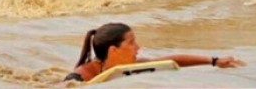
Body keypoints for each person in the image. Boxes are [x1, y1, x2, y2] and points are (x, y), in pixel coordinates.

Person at [64, 22, 246, 82]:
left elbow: (172, 60)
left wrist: (214, 61)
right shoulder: (80, 76)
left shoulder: (127, 66)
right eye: (131, 43)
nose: (138, 48)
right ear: (114, 50)